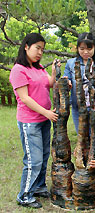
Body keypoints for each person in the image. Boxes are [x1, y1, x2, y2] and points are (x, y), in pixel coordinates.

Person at [9, 33, 59, 209]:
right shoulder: (18, 70)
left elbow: (50, 84)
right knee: (33, 160)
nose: (40, 52)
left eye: (42, 49)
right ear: (26, 46)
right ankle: (24, 196)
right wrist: (46, 112)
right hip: (30, 122)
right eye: (37, 48)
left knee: (44, 157)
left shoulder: (38, 68)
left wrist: (53, 72)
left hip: (43, 119)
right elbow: (25, 98)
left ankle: (38, 187)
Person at [63, 32, 95, 133]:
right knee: (82, 142)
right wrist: (66, 82)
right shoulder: (71, 64)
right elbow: (66, 81)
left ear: (94, 48)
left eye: (89, 49)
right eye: (82, 49)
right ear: (77, 48)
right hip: (79, 110)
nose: (85, 52)